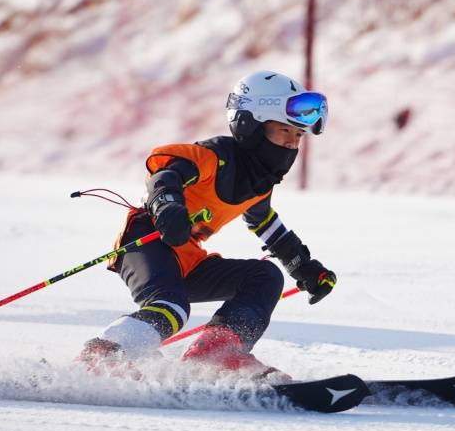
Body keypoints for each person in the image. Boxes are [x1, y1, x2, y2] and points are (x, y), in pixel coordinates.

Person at [79, 70, 337, 381]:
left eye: (298, 136)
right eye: (284, 131)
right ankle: (102, 356)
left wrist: (304, 267)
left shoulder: (258, 183)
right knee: (170, 307)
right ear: (251, 126)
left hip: (188, 259)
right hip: (147, 240)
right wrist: (167, 205)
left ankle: (214, 354)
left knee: (264, 277)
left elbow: (267, 224)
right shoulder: (214, 157)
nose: (292, 144)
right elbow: (165, 174)